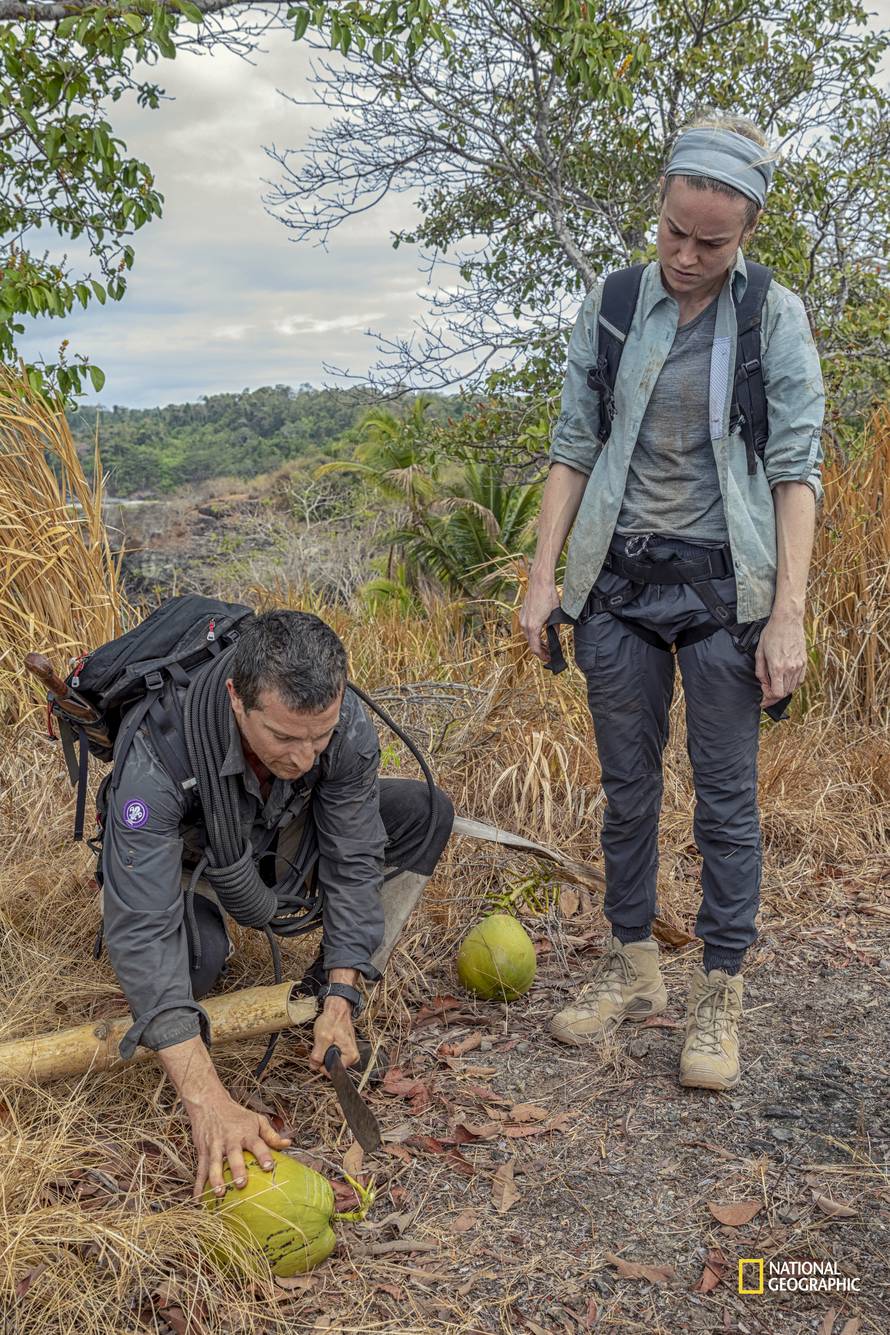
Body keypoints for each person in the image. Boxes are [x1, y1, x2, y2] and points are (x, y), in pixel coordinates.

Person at [520, 115, 824, 1091]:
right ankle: (632, 964)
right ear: (656, 209)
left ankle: (718, 988)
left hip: (725, 589)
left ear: (745, 233)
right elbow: (573, 447)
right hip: (617, 584)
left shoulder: (772, 317)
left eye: (711, 242)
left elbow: (793, 471)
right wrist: (541, 579)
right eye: (672, 233)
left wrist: (787, 614)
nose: (686, 257)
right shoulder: (610, 305)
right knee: (626, 790)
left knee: (725, 804)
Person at [100, 608, 453, 1196]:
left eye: (320, 735)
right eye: (285, 737)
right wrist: (208, 1100)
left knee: (424, 812)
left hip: (281, 836)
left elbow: (353, 855)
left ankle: (322, 998)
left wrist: (344, 990)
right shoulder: (158, 758)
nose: (306, 756)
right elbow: (142, 933)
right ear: (238, 699)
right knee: (197, 963)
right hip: (191, 864)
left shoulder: (341, 730)